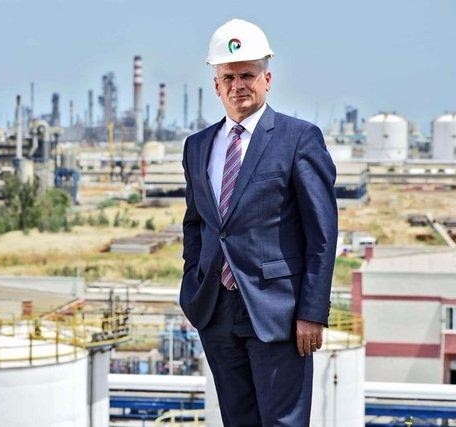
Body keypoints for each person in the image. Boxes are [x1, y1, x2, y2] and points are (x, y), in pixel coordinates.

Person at [179, 18, 338, 426]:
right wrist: (192, 288)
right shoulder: (197, 147)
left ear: (267, 79)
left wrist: (312, 312)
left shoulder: (298, 139)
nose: (238, 85)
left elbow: (322, 234)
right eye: (228, 77)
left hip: (277, 314)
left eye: (247, 75)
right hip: (216, 311)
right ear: (216, 86)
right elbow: (196, 225)